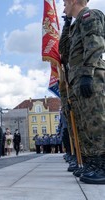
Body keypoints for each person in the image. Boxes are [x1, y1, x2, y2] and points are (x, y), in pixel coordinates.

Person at [63, 0, 105, 184]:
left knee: (96, 123)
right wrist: (65, 25)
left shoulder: (90, 16)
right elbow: (63, 51)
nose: (64, 7)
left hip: (90, 77)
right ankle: (92, 163)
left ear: (73, 1)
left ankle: (102, 165)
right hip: (79, 79)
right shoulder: (75, 25)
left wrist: (88, 73)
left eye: (65, 3)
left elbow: (95, 44)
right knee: (84, 125)